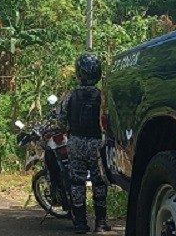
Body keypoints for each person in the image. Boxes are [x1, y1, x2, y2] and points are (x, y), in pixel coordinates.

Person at [58, 52, 111, 234]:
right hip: (97, 143)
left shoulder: (71, 95)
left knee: (77, 183)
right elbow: (108, 119)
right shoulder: (103, 96)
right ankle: (101, 222)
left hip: (76, 143)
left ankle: (80, 223)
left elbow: (61, 119)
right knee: (99, 182)